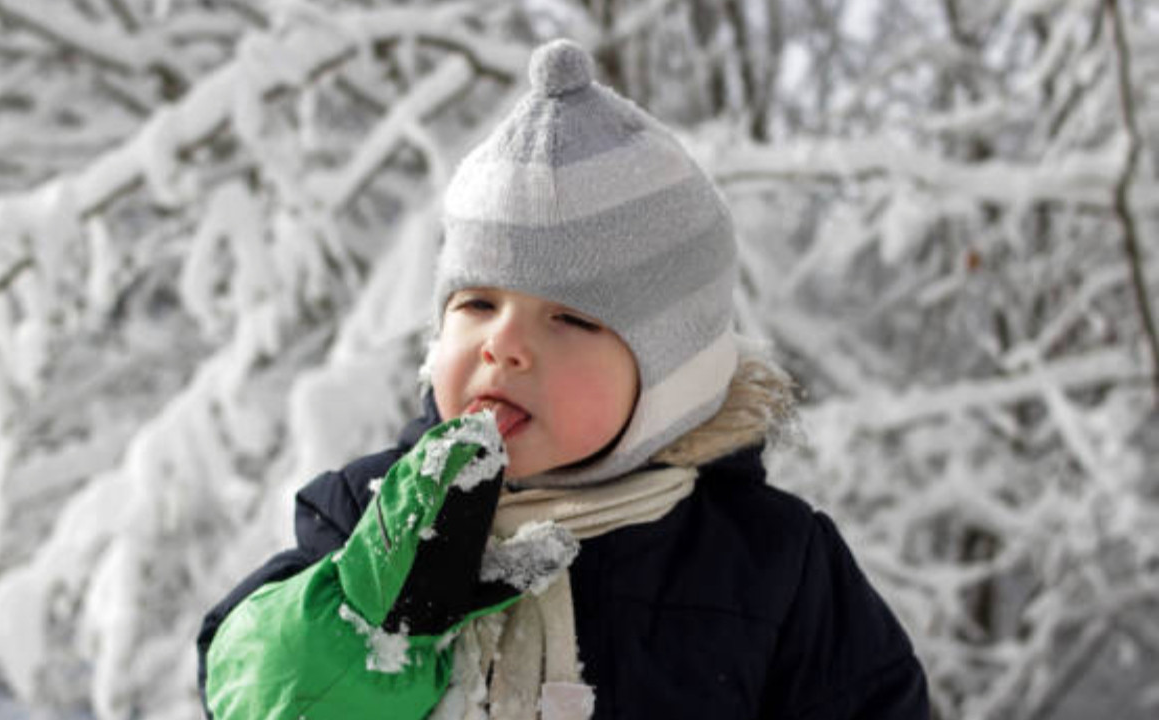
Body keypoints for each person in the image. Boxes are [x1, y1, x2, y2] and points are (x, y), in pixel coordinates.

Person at [196, 39, 929, 720]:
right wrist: (355, 618)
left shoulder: (769, 563)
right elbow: (248, 688)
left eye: (571, 320)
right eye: (477, 304)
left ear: (669, 374)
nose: (503, 345)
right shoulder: (370, 514)